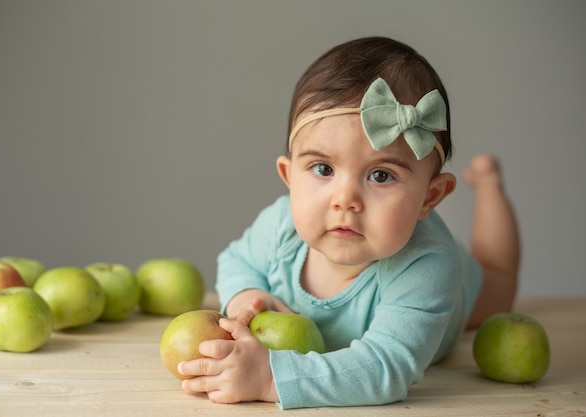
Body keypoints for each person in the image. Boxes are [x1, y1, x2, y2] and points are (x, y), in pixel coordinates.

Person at [177, 36, 520, 409]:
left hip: (464, 296)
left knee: (496, 279)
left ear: (429, 198)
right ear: (289, 177)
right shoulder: (280, 227)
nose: (345, 200)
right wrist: (245, 297)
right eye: (323, 169)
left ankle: (488, 184)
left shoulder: (429, 266)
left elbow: (385, 367)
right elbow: (236, 260)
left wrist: (271, 377)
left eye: (381, 176)